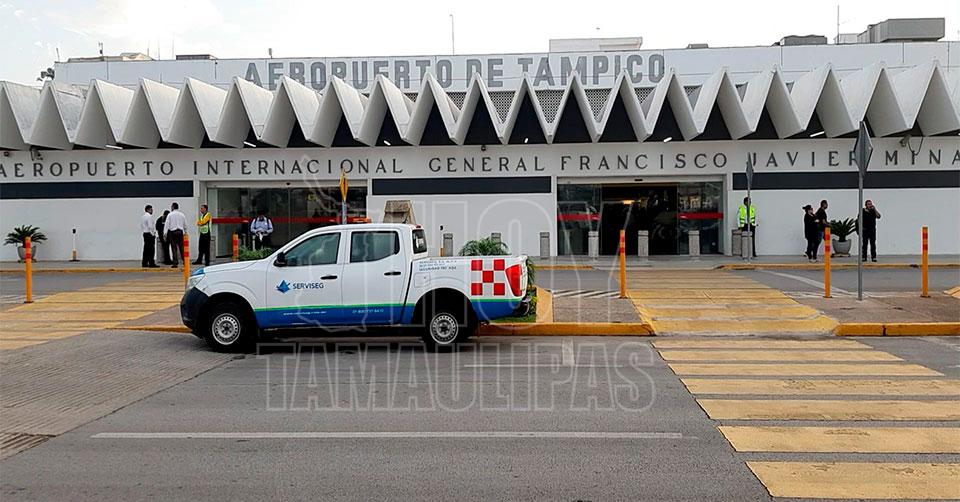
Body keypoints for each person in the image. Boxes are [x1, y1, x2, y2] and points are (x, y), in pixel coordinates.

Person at [164, 202, 187, 268]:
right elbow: (185, 224)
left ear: (173, 207)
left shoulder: (170, 215)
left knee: (174, 248)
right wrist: (185, 232)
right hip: (180, 232)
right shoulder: (182, 215)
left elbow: (167, 224)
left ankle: (175, 263)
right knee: (181, 248)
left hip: (172, 232)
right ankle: (185, 261)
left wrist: (165, 233)